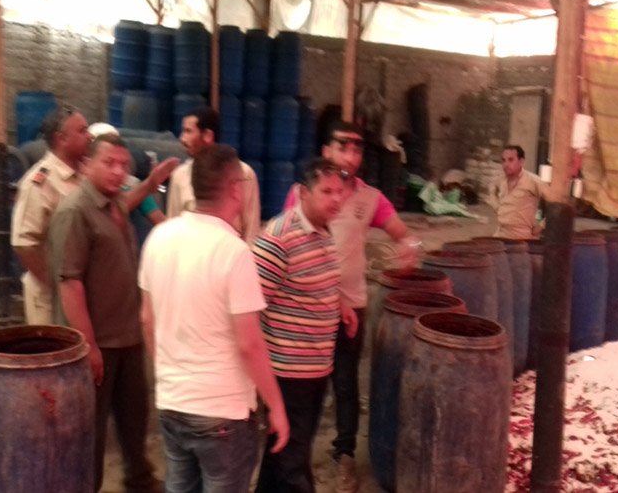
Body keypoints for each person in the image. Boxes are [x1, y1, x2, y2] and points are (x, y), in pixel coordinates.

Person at [139, 143, 289, 493]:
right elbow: (249, 344)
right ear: (235, 189)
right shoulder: (233, 252)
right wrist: (277, 407)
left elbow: (147, 319)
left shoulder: (159, 237)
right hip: (222, 412)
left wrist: (171, 376)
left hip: (172, 402)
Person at [283, 121, 420, 492]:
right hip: (309, 306)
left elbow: (402, 233)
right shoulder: (302, 193)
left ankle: (344, 455)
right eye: (343, 146)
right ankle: (294, 458)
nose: (351, 155)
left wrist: (410, 247)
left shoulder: (370, 199)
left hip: (351, 308)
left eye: (357, 148)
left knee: (345, 386)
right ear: (326, 151)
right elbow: (288, 241)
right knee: (305, 385)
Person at [48, 134, 162, 493]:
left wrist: (151, 183)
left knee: (134, 416)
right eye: (108, 163)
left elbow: (130, 198)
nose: (117, 171)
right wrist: (89, 346)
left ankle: (139, 479)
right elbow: (70, 284)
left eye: (122, 165)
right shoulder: (75, 212)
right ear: (87, 165)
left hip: (128, 337)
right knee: (91, 430)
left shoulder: (115, 206)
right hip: (100, 343)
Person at [12, 107, 177, 325]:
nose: (89, 135)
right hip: (52, 299)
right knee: (60, 345)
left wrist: (149, 185)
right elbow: (24, 244)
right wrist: (57, 285)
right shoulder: (40, 183)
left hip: (86, 294)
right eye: (82, 131)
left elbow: (115, 208)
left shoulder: (86, 172)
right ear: (62, 139)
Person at [254, 158, 356, 493]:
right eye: (327, 191)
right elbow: (250, 307)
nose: (336, 199)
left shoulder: (323, 230)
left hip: (316, 368)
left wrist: (340, 304)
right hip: (287, 374)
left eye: (340, 192)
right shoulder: (279, 238)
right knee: (294, 465)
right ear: (303, 193)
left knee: (282, 453)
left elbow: (313, 280)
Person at [166, 106, 261, 244]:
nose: (182, 139)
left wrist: (246, 255)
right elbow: (173, 223)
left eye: (188, 131)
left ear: (208, 136)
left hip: (231, 254)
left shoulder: (243, 174)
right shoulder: (180, 175)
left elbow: (251, 229)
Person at [494, 144, 547, 239]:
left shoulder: (533, 181)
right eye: (504, 160)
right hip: (500, 234)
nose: (506, 164)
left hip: (521, 237)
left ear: (521, 161)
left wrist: (541, 226)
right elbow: (494, 194)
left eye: (510, 160)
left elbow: (556, 205)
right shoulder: (501, 180)